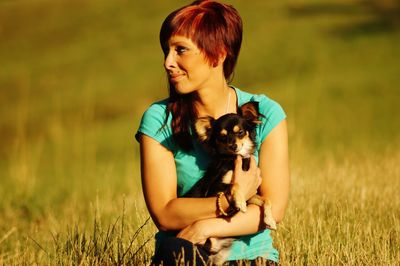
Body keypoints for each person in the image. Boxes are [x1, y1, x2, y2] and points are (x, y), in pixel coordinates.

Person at [135, 1, 289, 265]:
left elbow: (272, 211)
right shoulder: (159, 120)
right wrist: (230, 199)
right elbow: (166, 214)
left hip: (252, 259)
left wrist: (204, 227)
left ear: (218, 54)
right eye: (166, 50)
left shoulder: (265, 113)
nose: (168, 62)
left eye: (180, 50)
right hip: (184, 256)